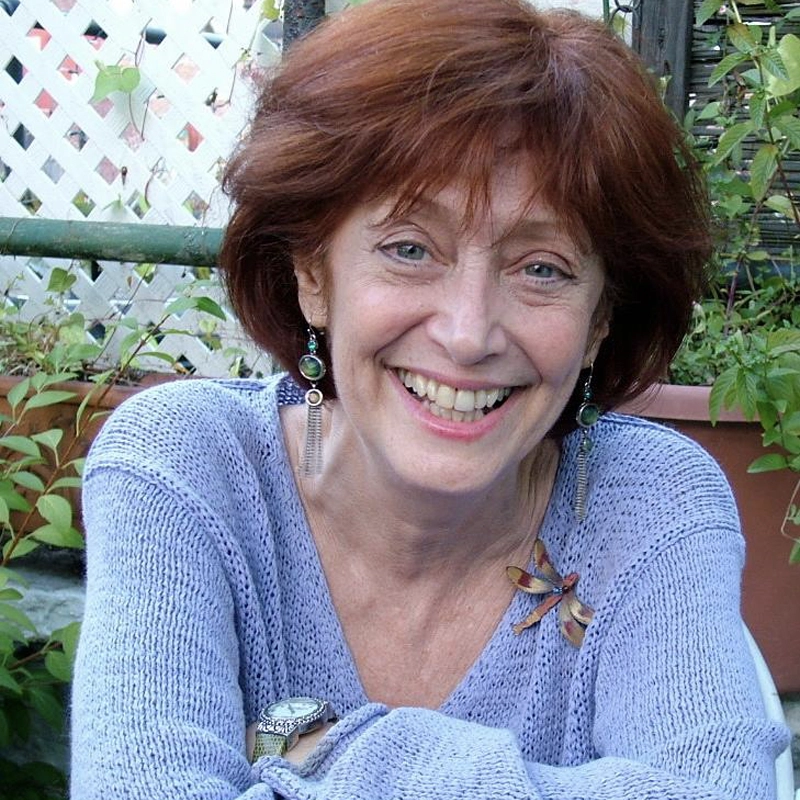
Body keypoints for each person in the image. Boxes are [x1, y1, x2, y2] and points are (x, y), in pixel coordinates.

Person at [70, 0, 789, 798]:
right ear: (313, 275)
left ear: (599, 322)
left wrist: (331, 748)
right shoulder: (184, 467)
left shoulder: (649, 500)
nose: (468, 333)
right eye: (409, 249)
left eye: (542, 268)